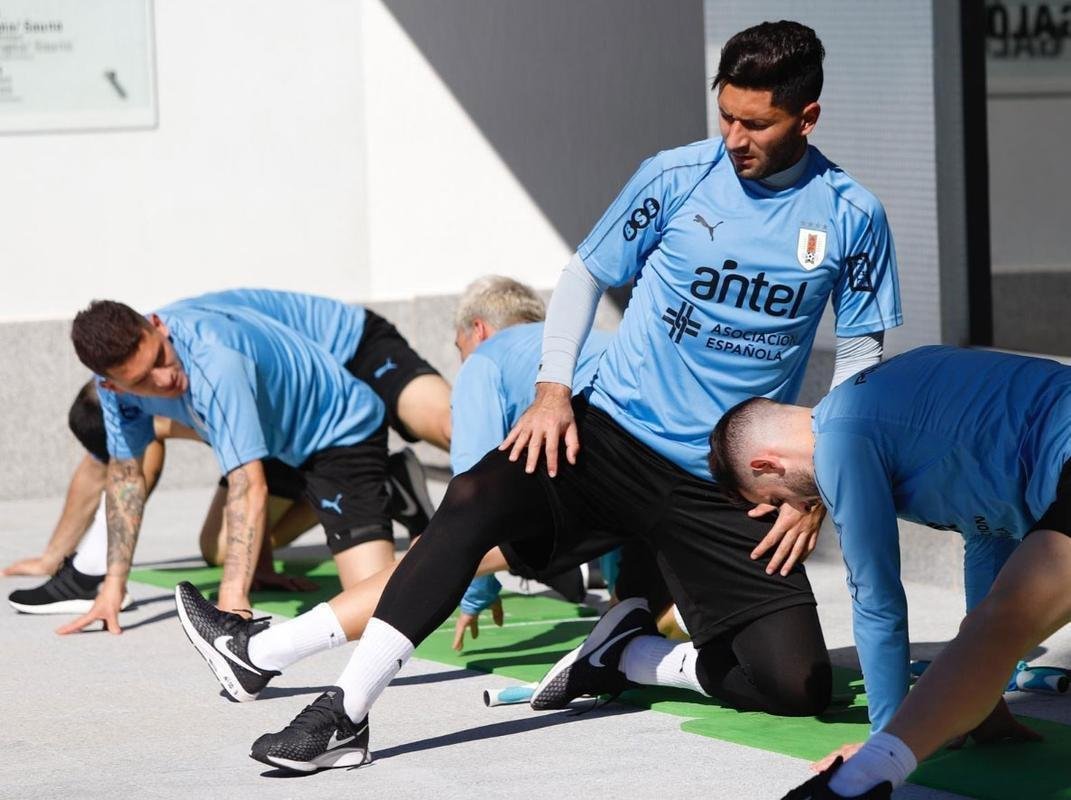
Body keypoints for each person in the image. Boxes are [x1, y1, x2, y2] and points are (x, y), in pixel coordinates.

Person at [230, 19, 905, 775]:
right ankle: (344, 713)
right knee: (473, 496)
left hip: (723, 479)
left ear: (807, 118)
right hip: (607, 436)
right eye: (725, 116)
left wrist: (815, 484)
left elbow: (859, 359)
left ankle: (630, 655)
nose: (734, 138)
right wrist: (552, 391)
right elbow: (585, 274)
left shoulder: (850, 216)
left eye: (757, 124)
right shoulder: (675, 177)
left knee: (796, 686)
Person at [173, 275, 613, 707]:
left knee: (435, 550)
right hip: (633, 481)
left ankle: (256, 654)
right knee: (636, 603)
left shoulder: (487, 357)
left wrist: (475, 589)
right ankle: (626, 638)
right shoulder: (591, 342)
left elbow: (472, 507)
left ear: (477, 331)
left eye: (458, 348)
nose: (461, 359)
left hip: (358, 373)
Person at [706, 346, 1071, 800]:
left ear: (766, 464)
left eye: (777, 499)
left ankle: (866, 779)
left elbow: (876, 598)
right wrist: (982, 693)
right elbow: (988, 534)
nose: (796, 508)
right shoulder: (880, 404)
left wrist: (886, 740)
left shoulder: (840, 442)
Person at [59, 292, 438, 659]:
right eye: (143, 381)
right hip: (271, 442)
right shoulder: (113, 392)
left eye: (160, 357)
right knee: (220, 550)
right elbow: (126, 478)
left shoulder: (213, 359)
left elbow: (248, 485)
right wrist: (112, 586)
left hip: (337, 432)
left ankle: (452, 543)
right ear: (111, 385)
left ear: (158, 326)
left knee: (380, 612)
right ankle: (388, 489)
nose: (163, 379)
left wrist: (233, 606)